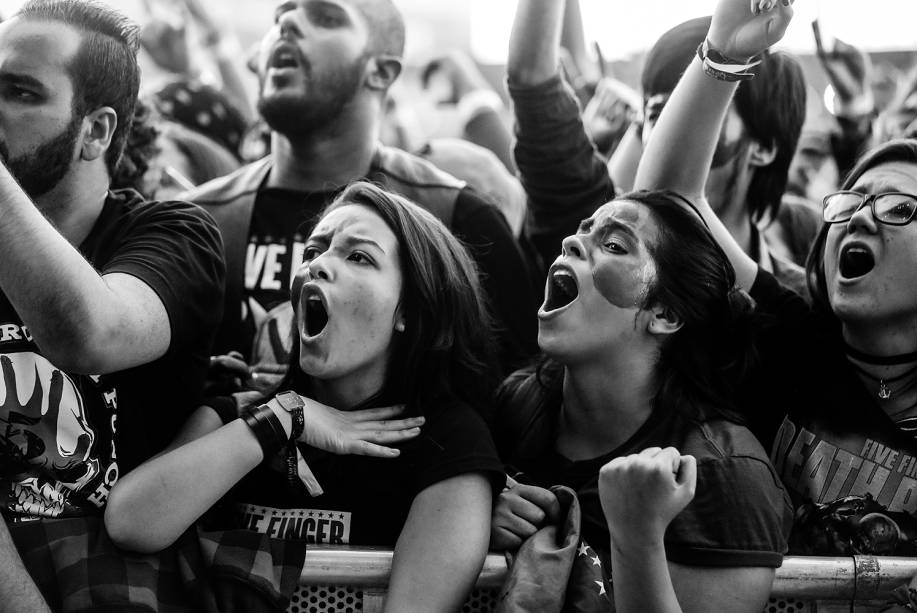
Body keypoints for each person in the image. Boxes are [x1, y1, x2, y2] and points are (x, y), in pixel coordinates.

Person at [106, 182, 505, 612]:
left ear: (410, 310)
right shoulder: (236, 415)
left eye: (359, 256)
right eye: (313, 252)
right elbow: (130, 522)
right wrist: (282, 419)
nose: (318, 266)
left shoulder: (448, 442)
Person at [636, 0, 917, 563]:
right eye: (850, 202)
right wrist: (724, 53)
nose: (860, 217)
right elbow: (667, 205)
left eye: (897, 208)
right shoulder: (791, 339)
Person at [0, 0, 224, 609]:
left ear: (96, 131)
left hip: (121, 587)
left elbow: (91, 335)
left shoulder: (175, 235)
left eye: (19, 93)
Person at [183, 0, 536, 384]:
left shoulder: (455, 216)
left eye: (326, 17)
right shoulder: (196, 221)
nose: (288, 22)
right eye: (280, 16)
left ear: (381, 71)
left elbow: (513, 399)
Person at [490, 187, 790, 613]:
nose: (571, 242)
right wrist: (481, 506)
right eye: (582, 232)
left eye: (613, 245)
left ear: (665, 315)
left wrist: (638, 533)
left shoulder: (722, 473)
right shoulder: (518, 403)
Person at [507, 1, 816, 296]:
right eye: (656, 114)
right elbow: (533, 80)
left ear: (763, 145)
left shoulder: (800, 304)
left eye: (703, 109)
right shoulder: (595, 247)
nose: (668, 133)